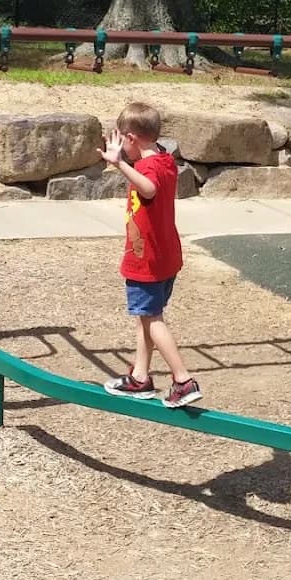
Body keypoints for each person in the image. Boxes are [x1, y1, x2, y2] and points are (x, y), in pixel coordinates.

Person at [98, 100, 201, 408]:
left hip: (147, 260)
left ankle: (183, 380)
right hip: (165, 256)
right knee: (146, 318)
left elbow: (149, 189)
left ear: (130, 139)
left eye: (121, 141)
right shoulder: (166, 159)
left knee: (152, 319)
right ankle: (140, 377)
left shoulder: (147, 167)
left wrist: (120, 164)